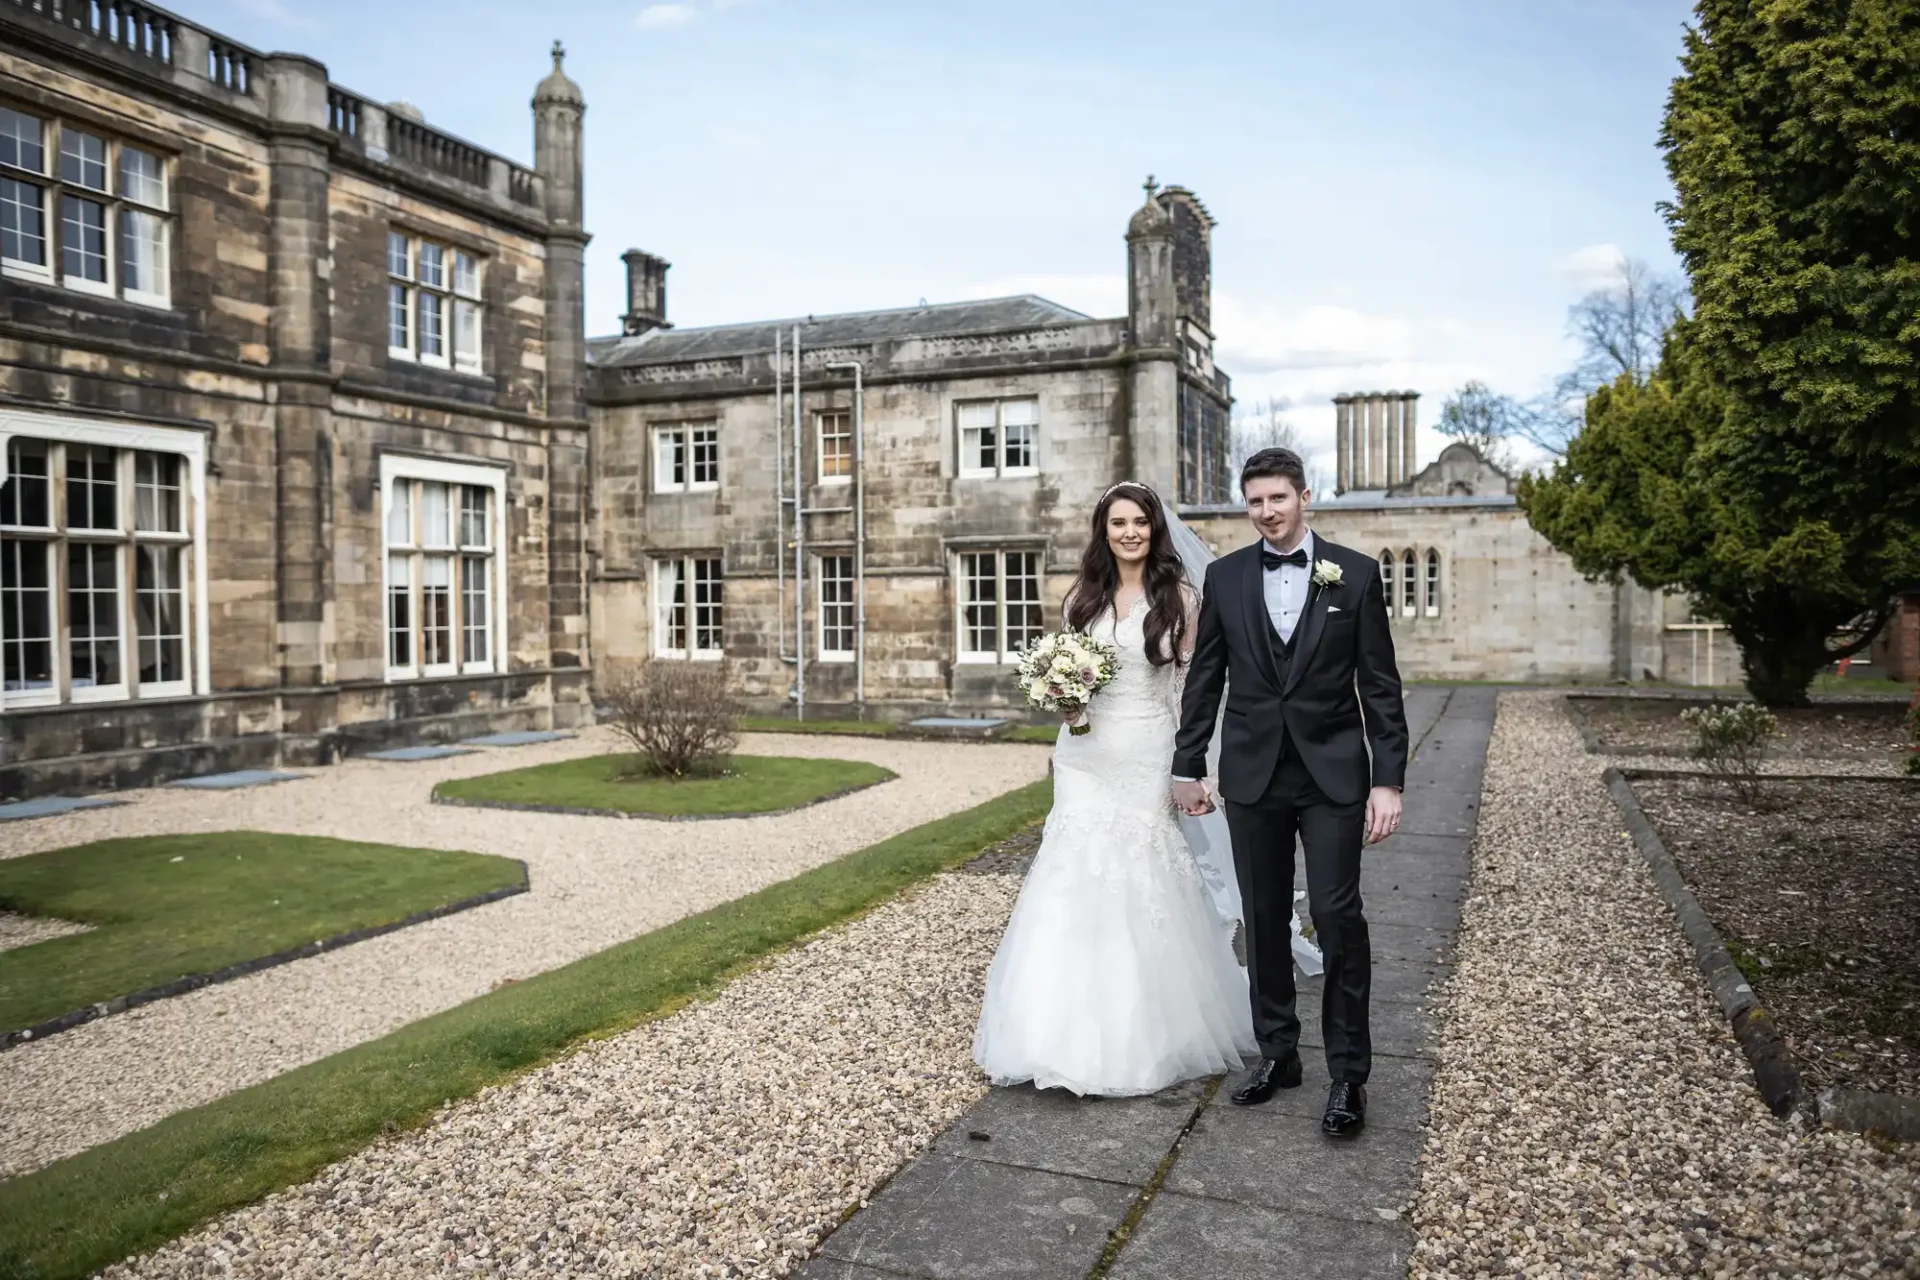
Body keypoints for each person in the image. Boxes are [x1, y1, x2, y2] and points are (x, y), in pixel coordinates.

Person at [972, 482, 1256, 1096]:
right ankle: (1051, 1027)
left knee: (1138, 871)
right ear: (1103, 530)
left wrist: (1194, 767)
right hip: (1082, 755)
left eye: (1140, 523)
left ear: (1155, 530)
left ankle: (1143, 1031)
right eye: (1118, 522)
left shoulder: (1181, 599)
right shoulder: (1083, 596)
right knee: (1071, 868)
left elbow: (1191, 692)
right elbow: (1068, 670)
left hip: (1147, 752)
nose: (1129, 532)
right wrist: (1059, 696)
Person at [1173, 446, 1409, 1138]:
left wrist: (1388, 779)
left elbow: (1381, 687)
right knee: (1264, 918)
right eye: (1255, 502)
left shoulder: (1356, 576)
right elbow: (1205, 681)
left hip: (1334, 775)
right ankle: (1279, 1054)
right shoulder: (1226, 577)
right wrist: (1189, 765)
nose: (1266, 512)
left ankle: (1348, 1075)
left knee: (1339, 918)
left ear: (1306, 496)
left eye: (1278, 498)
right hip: (1252, 776)